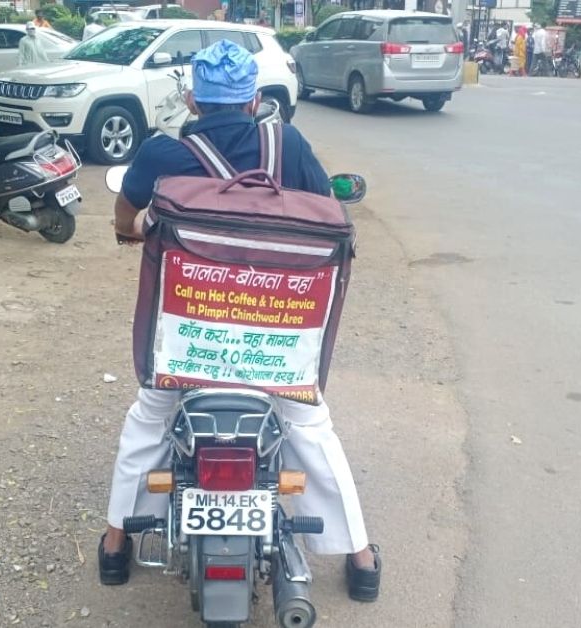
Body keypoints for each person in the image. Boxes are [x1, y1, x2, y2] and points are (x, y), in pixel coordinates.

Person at [102, 39, 382, 603]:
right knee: (310, 429)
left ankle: (113, 545)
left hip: (185, 345)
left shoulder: (160, 155)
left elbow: (127, 214)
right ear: (254, 99)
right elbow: (327, 208)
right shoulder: (289, 144)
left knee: (148, 421)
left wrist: (132, 232)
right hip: (276, 348)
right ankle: (361, 556)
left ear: (192, 100)